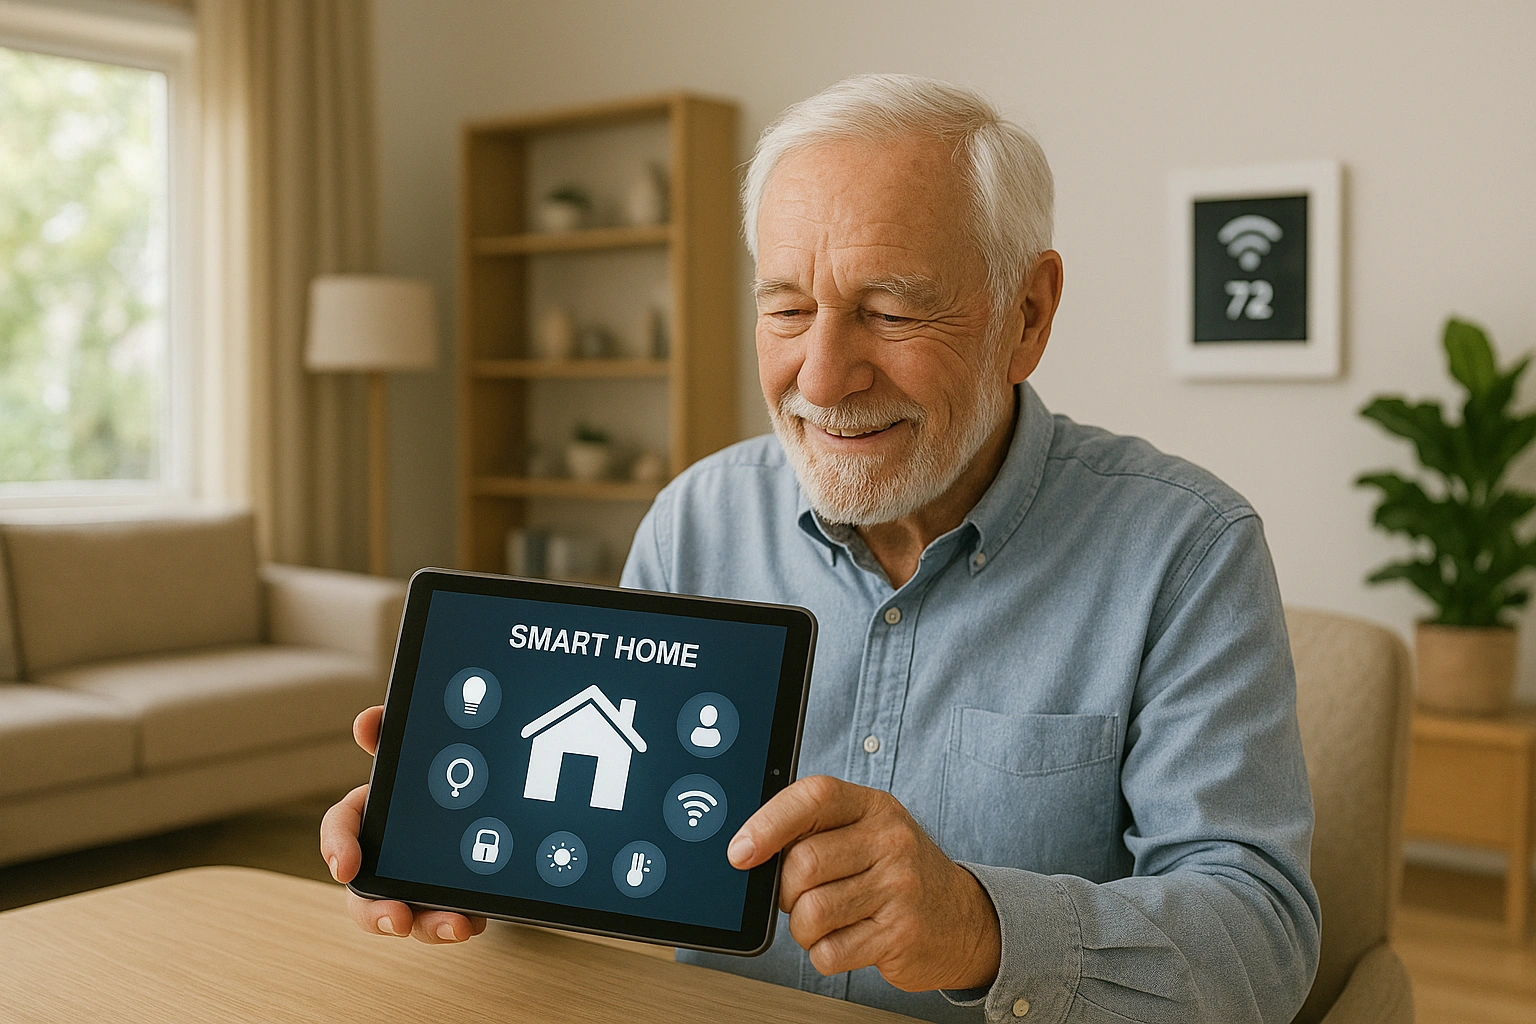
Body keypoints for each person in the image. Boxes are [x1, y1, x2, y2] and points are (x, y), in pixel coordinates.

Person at [322, 74, 1320, 1022]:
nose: (825, 374)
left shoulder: (1188, 551)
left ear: (1028, 313)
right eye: (788, 308)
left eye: (889, 310)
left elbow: (1260, 946)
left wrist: (981, 926)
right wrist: (473, 840)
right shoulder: (694, 519)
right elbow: (623, 835)